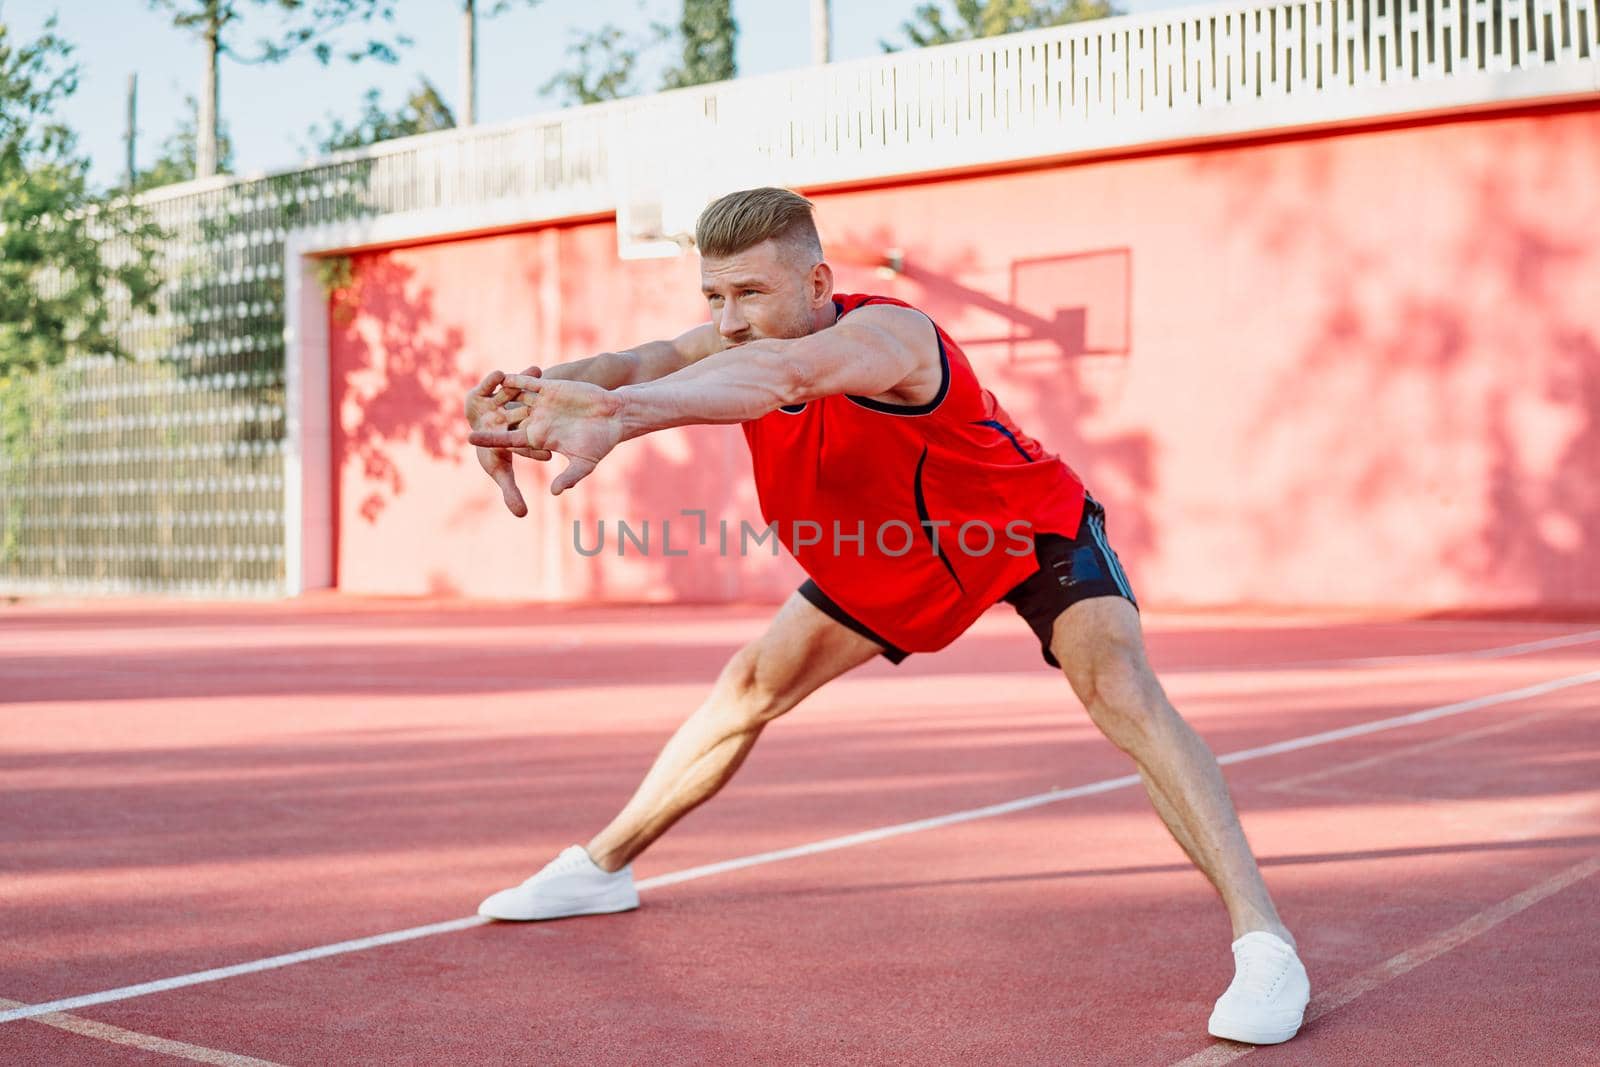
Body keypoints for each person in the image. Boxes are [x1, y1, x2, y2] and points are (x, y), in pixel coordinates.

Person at [465, 187, 1310, 1045]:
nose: (727, 321)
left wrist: (616, 416)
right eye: (714, 296)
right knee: (751, 683)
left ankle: (1264, 941)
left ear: (818, 279)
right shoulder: (726, 340)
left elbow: (782, 378)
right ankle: (603, 866)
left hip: (1021, 529)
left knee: (1120, 684)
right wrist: (524, 398)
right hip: (887, 552)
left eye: (751, 294)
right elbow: (640, 361)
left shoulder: (889, 337)